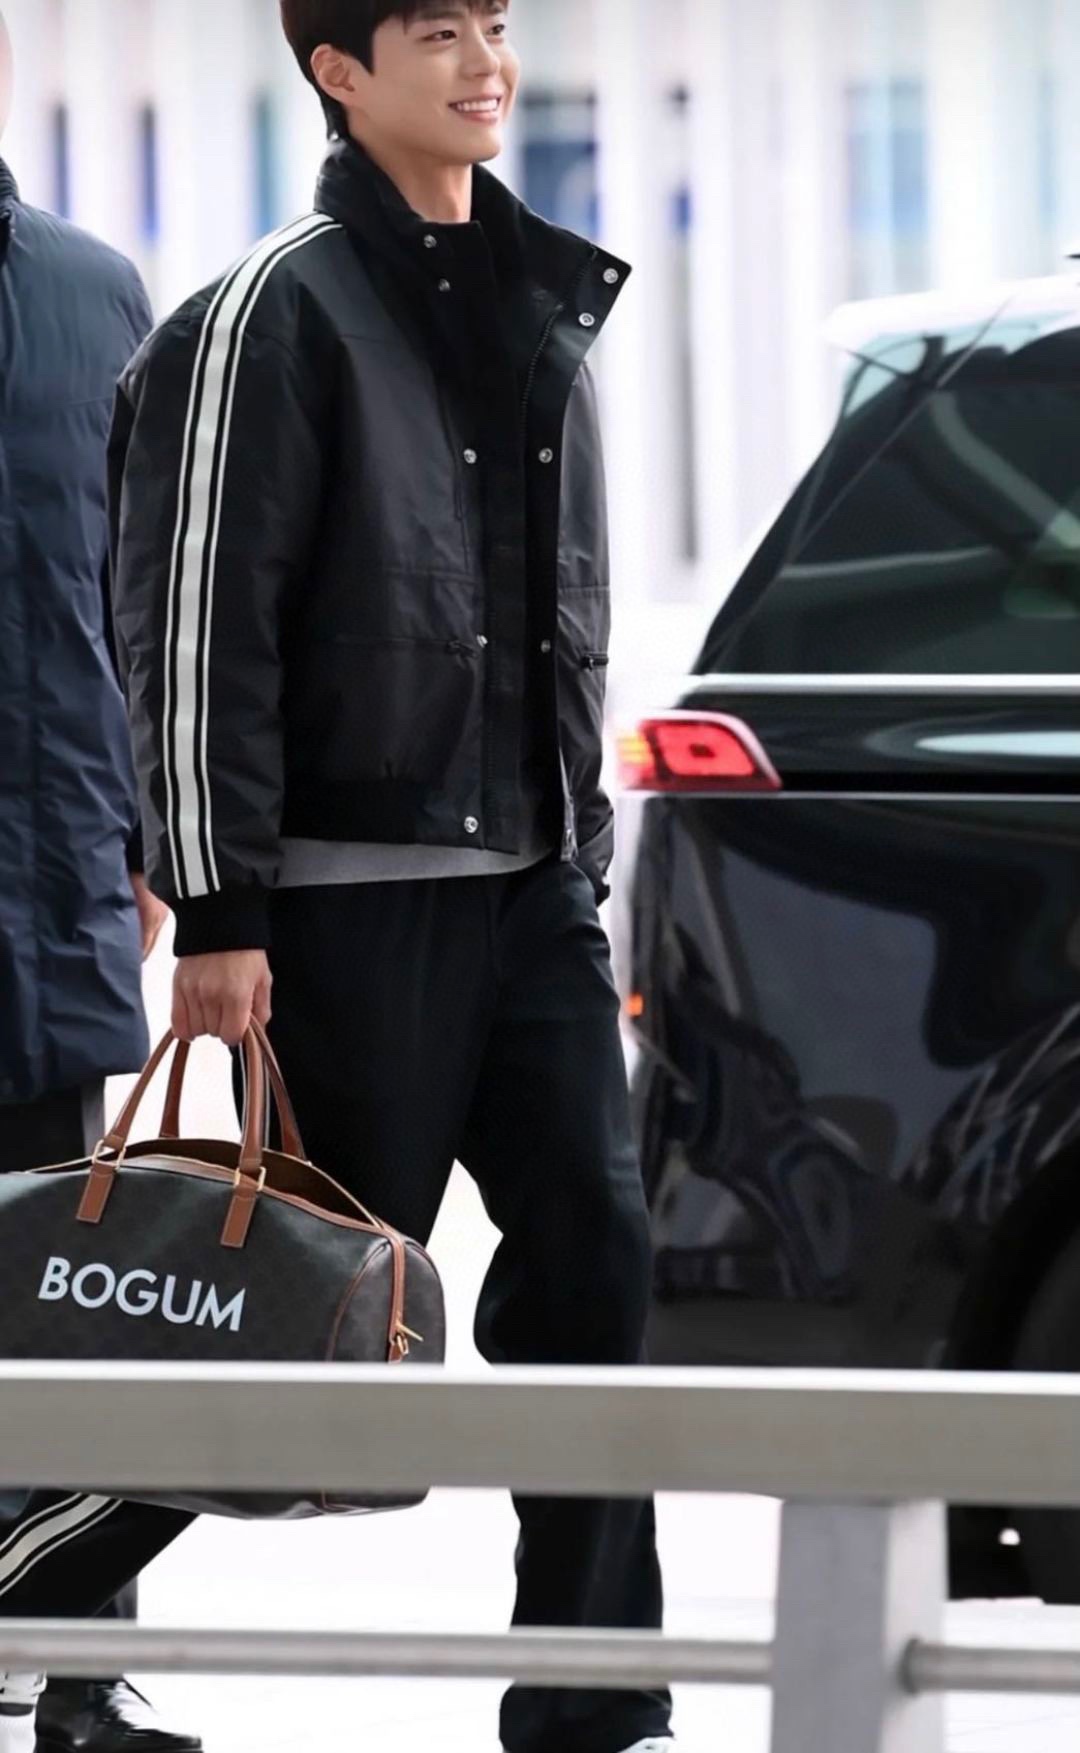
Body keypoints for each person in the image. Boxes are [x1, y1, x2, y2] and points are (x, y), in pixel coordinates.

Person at [0, 5, 672, 1751]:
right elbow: (188, 621)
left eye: (498, 24)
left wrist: (580, 858)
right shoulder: (266, 314)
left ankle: (598, 1705)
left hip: (533, 890)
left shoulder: (543, 299)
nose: (486, 61)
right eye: (438, 30)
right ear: (340, 71)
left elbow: (557, 609)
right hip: (347, 914)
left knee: (597, 1270)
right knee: (280, 1323)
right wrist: (218, 907)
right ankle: (18, 1574)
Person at [0, 13, 204, 1753]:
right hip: (57, 865)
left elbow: (138, 589)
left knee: (70, 1295)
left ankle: (78, 1670)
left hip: (59, 873)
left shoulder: (90, 290)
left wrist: (145, 831)